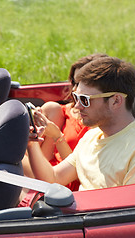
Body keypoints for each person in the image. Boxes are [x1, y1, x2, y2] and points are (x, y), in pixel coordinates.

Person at [26, 57, 135, 191]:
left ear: (116, 101)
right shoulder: (91, 136)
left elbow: (131, 209)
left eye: (85, 100)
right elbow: (54, 177)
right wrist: (32, 144)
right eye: (76, 97)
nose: (77, 106)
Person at [22, 53, 108, 192]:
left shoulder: (98, 125)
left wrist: (57, 136)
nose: (75, 89)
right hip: (45, 170)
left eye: (81, 83)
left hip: (64, 181)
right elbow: (44, 157)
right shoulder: (58, 111)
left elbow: (81, 169)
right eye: (74, 83)